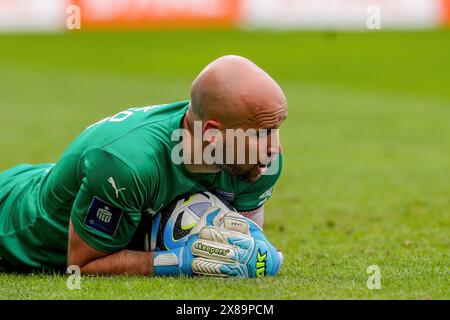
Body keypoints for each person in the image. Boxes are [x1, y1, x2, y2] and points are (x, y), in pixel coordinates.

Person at [0, 55, 288, 276]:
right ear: (212, 134)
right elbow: (82, 264)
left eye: (277, 128)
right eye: (262, 134)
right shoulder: (127, 164)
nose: (276, 147)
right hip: (13, 226)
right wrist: (177, 262)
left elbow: (242, 239)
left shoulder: (259, 162)